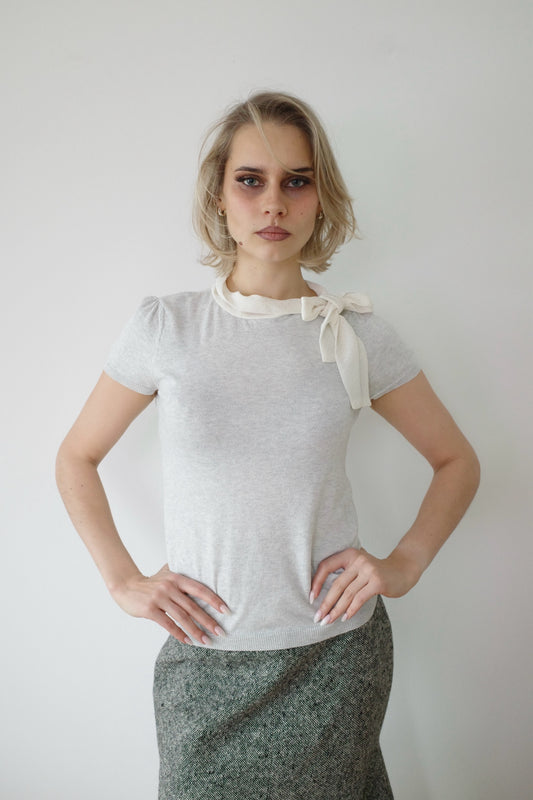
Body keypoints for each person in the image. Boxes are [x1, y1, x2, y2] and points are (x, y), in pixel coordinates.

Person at [56, 91, 480, 800]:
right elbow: (77, 456)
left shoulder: (354, 333)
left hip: (334, 657)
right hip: (204, 658)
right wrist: (122, 580)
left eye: (297, 181)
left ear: (321, 197)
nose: (274, 203)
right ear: (219, 196)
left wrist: (403, 563)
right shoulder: (166, 327)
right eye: (250, 180)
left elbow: (456, 461)